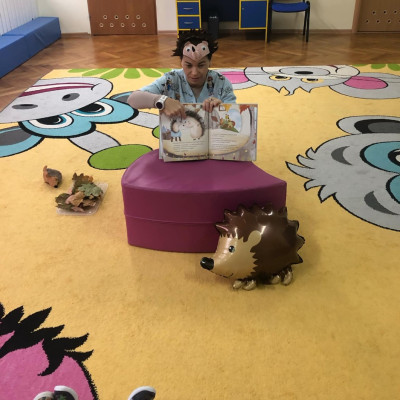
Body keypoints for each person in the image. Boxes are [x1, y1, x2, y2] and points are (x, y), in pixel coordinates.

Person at [127, 29, 236, 120]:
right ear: (181, 62)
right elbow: (133, 99)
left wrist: (222, 107)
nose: (194, 73)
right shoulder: (171, 79)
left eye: (201, 65)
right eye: (188, 65)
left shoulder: (221, 82)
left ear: (210, 62)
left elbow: (235, 118)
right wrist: (162, 101)